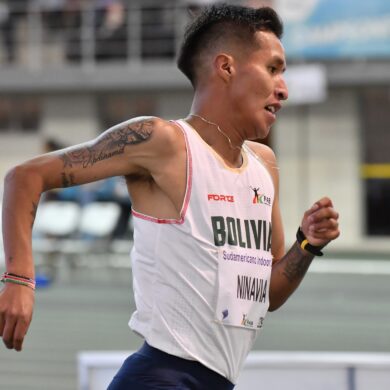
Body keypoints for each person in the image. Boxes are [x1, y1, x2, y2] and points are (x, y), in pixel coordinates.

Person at [0, 4, 340, 389]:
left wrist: (306, 244)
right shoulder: (163, 142)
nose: (284, 89)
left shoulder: (264, 164)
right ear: (226, 67)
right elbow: (24, 177)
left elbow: (268, 294)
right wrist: (18, 279)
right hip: (161, 377)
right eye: (273, 68)